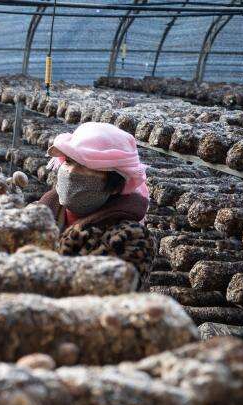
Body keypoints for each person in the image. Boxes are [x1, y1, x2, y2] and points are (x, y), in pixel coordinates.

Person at [37, 122, 156, 285]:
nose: (71, 172)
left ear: (114, 187)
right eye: (69, 162)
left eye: (85, 167)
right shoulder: (39, 213)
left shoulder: (129, 239)